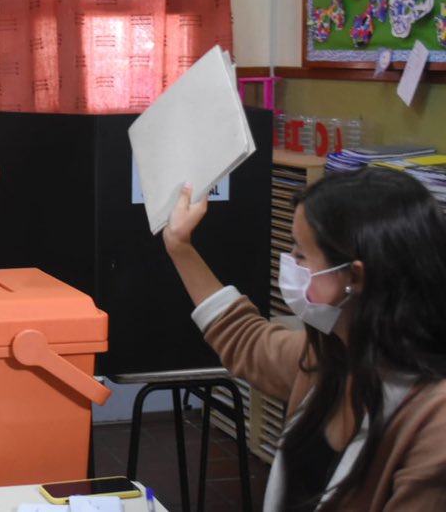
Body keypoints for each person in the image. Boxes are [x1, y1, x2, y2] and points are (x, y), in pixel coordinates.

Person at [162, 166, 446, 510]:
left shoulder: (434, 421)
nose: (290, 265)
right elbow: (247, 340)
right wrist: (180, 246)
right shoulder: (330, 357)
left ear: (354, 277)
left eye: (300, 255)